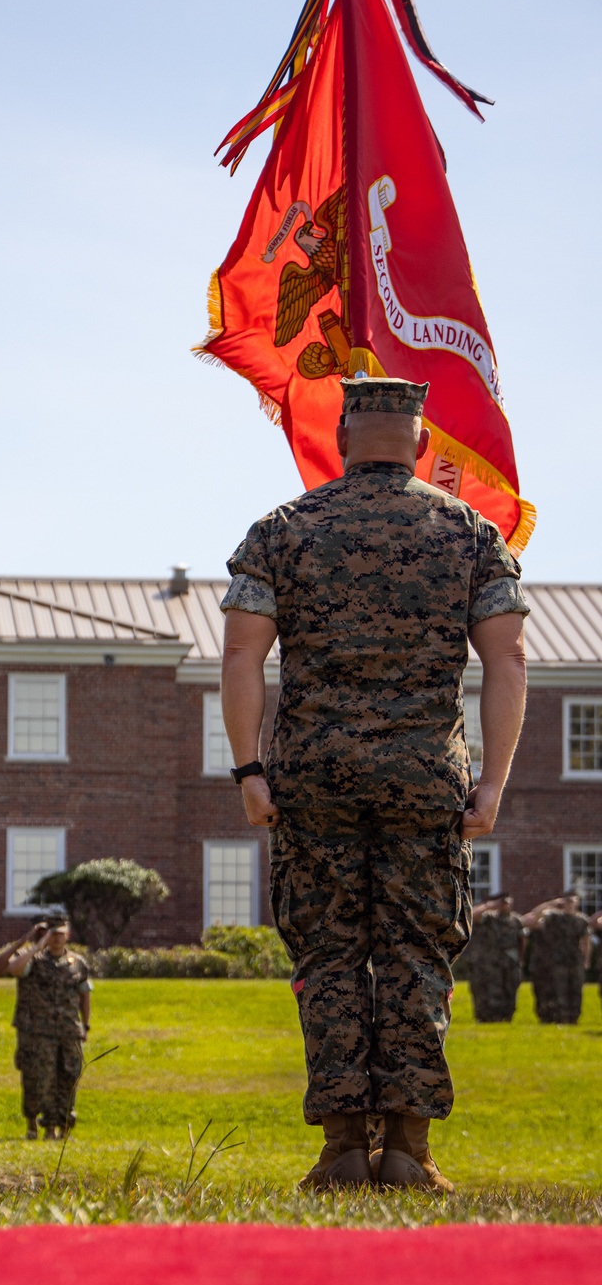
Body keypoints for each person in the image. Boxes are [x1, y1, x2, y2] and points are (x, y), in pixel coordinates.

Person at [220, 374, 528, 1192]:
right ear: (423, 444)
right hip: (425, 784)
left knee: (328, 961)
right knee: (415, 960)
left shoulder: (283, 530)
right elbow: (508, 659)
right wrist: (492, 783)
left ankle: (342, 1150)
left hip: (313, 781)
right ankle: (410, 1151)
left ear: (343, 437)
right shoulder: (470, 533)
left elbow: (242, 655)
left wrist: (250, 770)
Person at [0, 913, 91, 1140]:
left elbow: (84, 994)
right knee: (42, 1079)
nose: (57, 938)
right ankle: (45, 1126)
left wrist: (86, 1025)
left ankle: (64, 1127)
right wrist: (34, 944)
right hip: (39, 1031)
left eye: (61, 934)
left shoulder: (77, 963)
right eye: (52, 934)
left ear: (68, 935)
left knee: (69, 1077)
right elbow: (9, 968)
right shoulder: (33, 960)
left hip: (68, 1030)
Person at [523, 894, 590, 1024]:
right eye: (567, 902)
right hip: (557, 961)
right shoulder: (553, 916)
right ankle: (559, 1016)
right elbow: (533, 917)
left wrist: (586, 960)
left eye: (572, 902)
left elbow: (586, 941)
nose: (570, 905)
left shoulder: (581, 920)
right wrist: (551, 903)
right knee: (558, 989)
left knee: (576, 989)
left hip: (574, 960)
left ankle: (573, 1017)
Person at [466, 894, 525, 1023]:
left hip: (509, 962)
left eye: (508, 903)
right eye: (503, 903)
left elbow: (521, 941)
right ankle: (489, 1017)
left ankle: (507, 1016)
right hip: (490, 963)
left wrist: (521, 960)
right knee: (490, 990)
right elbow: (473, 915)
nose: (505, 905)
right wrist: (490, 905)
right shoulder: (489, 917)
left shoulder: (515, 920)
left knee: (510, 990)